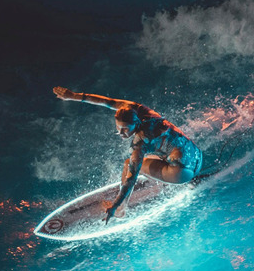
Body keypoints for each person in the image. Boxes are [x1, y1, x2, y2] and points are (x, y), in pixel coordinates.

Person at [53, 86, 203, 224]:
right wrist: (73, 96)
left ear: (136, 124)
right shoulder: (137, 110)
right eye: (118, 128)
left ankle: (121, 211)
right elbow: (106, 101)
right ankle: (187, 178)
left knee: (128, 165)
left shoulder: (140, 143)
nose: (120, 133)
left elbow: (131, 180)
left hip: (182, 173)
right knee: (163, 152)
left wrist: (115, 204)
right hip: (197, 156)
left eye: (125, 129)